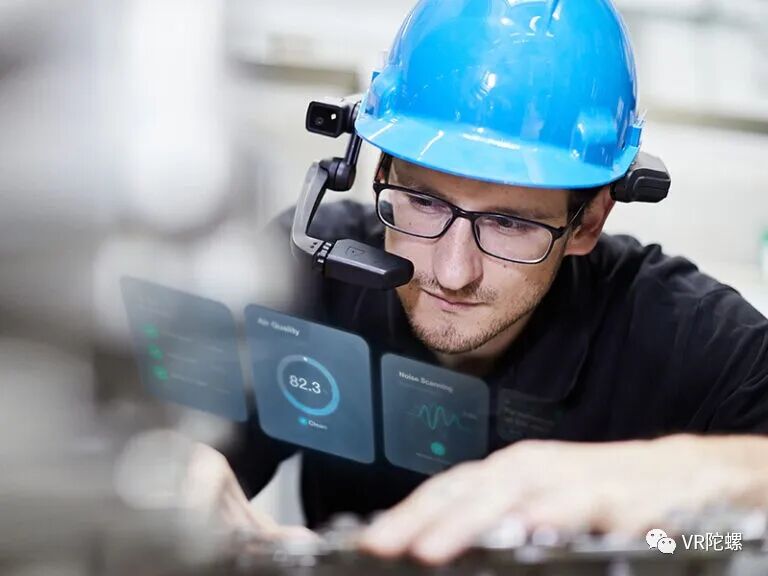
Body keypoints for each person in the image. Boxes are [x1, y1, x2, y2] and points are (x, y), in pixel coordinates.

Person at [185, 0, 768, 565]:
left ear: (588, 222)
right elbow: (176, 442)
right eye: (423, 201)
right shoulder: (311, 275)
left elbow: (720, 536)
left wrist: (663, 484)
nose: (452, 272)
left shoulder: (682, 336)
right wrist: (178, 475)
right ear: (380, 171)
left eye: (509, 223)